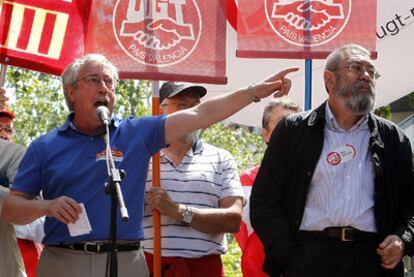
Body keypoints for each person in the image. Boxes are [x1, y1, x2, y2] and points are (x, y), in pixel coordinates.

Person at [0, 53, 298, 277]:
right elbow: (12, 209)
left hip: (129, 262)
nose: (104, 88)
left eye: (110, 82)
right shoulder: (45, 146)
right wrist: (46, 207)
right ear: (71, 92)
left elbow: (201, 114)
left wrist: (254, 92)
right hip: (64, 261)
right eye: (94, 80)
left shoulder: (135, 133)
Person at [250, 44, 414, 277]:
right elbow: (264, 202)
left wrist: (402, 239)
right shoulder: (293, 131)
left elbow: (411, 204)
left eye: (371, 71)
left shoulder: (393, 138)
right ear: (330, 79)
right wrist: (288, 254)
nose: (366, 76)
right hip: (308, 258)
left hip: (372, 260)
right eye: (356, 67)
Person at [143, 82, 244, 276]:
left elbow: (233, 219)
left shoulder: (220, 158)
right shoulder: (142, 157)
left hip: (204, 268)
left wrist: (177, 211)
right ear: (158, 109)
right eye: (182, 105)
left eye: (196, 105)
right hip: (150, 266)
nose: (192, 112)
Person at [235, 97, 301, 277]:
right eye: (284, 123)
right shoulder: (245, 182)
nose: (291, 128)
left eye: (297, 123)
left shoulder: (315, 178)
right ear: (266, 133)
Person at [0, 87, 44, 277]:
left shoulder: (24, 168)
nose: (3, 134)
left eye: (8, 129)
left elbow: (40, 226)